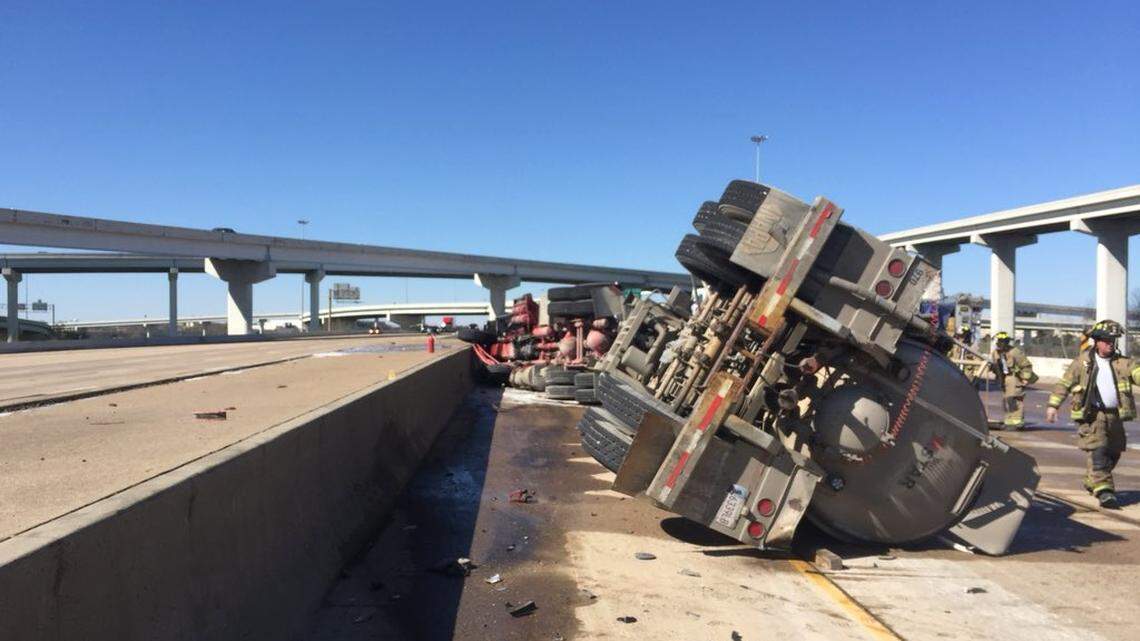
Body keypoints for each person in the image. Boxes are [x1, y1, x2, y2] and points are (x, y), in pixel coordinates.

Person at [1046, 319, 1140, 508]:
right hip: (1092, 415)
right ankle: (1105, 491)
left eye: (1113, 340)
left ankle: (1093, 480)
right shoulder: (1083, 362)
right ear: (1097, 341)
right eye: (1106, 340)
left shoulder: (1123, 362)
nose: (1110, 344)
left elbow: (1137, 372)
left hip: (1115, 415)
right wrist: (1053, 405)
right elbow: (1064, 384)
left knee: (1114, 452)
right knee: (1099, 450)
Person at [990, 331, 1037, 430]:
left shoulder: (1015, 352)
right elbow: (996, 366)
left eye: (1003, 341)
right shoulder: (995, 353)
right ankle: (1009, 421)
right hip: (1004, 379)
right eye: (999, 341)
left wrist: (1025, 378)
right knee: (1007, 400)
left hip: (1014, 378)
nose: (1000, 343)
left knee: (1014, 399)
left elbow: (1026, 366)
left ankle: (1017, 422)